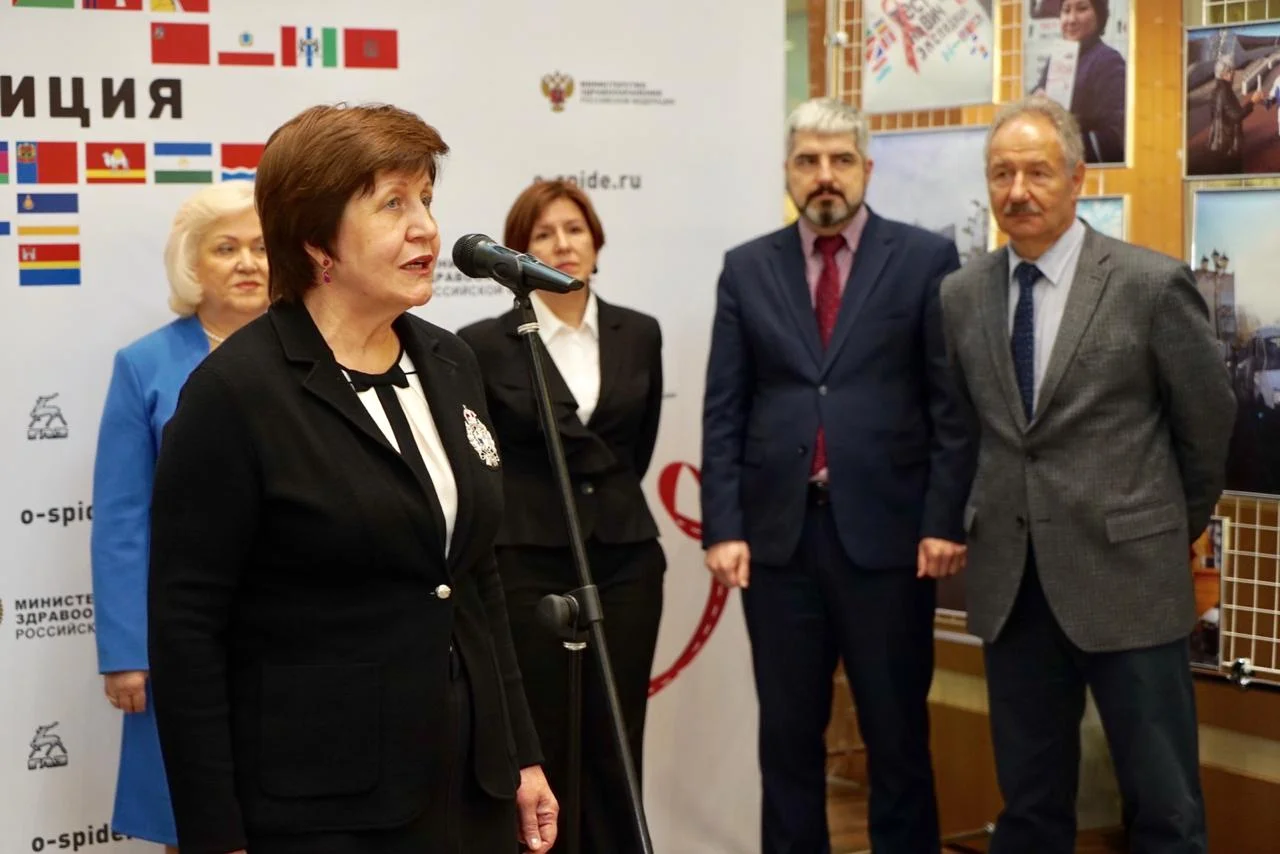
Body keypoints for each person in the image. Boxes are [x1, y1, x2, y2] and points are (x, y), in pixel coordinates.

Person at [146, 103, 559, 854]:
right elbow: (187, 628)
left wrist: (520, 753)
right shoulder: (235, 394)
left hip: (471, 781)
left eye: (426, 198)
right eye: (393, 204)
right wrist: (216, 831)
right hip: (321, 802)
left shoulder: (451, 362)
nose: (426, 228)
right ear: (316, 241)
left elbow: (476, 578)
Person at [939, 95, 1235, 854]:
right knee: (1030, 806)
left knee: (1164, 807)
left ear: (1077, 178)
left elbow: (1207, 423)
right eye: (1001, 174)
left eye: (1037, 172)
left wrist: (1164, 527)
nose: (1018, 191)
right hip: (1014, 587)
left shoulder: (1148, 284)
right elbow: (971, 430)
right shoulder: (961, 295)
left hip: (1130, 579)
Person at [700, 96, 974, 854]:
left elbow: (950, 404)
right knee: (787, 739)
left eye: (840, 160)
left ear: (866, 169)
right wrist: (723, 526)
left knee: (897, 735)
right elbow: (725, 406)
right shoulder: (746, 267)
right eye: (808, 161)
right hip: (778, 544)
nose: (825, 175)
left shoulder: (924, 259)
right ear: (788, 171)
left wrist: (943, 518)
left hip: (890, 541)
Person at [457, 180, 665, 854]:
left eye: (574, 229)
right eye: (542, 234)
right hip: (527, 559)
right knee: (544, 736)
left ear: (597, 243)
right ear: (518, 256)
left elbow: (634, 449)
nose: (562, 244)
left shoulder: (640, 331)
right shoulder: (480, 344)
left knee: (618, 732)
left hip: (625, 557)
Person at [91, 182, 269, 853]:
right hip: (184, 634)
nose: (248, 262)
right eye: (226, 248)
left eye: (261, 246)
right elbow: (122, 518)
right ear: (192, 264)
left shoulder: (316, 352)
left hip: (298, 631)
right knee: (196, 820)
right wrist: (126, 652)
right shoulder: (144, 365)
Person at [1031, 0, 1126, 164]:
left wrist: (1062, 139)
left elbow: (1116, 138)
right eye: (1066, 10)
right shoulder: (1056, 60)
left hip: (1088, 171)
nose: (1071, 19)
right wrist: (1034, 104)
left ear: (1099, 15)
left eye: (1082, 9)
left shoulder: (1109, 61)